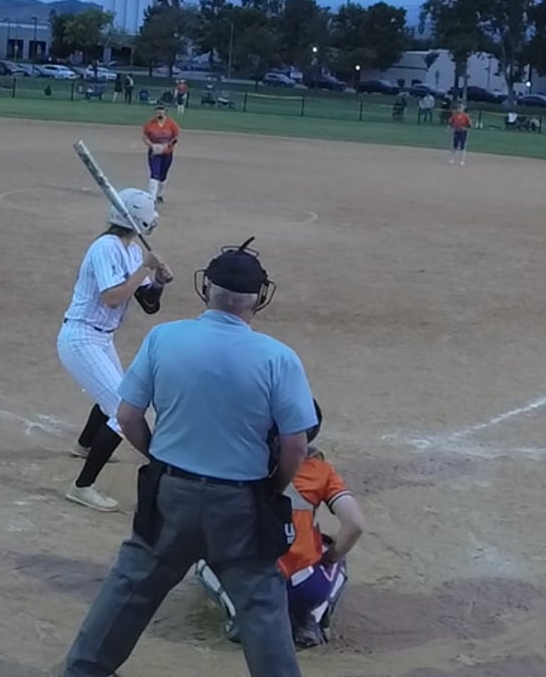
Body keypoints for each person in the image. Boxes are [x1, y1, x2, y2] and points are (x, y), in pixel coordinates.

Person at [61, 237, 316, 677]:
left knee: (130, 588)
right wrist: (270, 487)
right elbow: (296, 445)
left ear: (206, 288)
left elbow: (128, 416)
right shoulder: (279, 358)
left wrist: (159, 458)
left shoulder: (164, 338)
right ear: (259, 298)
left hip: (171, 493)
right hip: (241, 502)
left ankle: (83, 672)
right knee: (260, 605)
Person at [194, 401, 366, 649]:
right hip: (303, 585)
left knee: (204, 551)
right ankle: (311, 617)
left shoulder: (240, 463)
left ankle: (239, 614)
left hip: (251, 583)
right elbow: (355, 525)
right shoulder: (321, 471)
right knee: (334, 553)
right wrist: (328, 558)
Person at [57, 188, 170, 512]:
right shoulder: (105, 247)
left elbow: (148, 304)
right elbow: (111, 298)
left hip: (101, 338)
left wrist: (158, 281)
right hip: (80, 338)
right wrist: (144, 269)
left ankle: (84, 445)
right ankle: (82, 487)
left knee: (116, 393)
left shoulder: (131, 250)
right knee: (123, 413)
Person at [142, 105, 181, 203]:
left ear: (165, 113)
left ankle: (160, 194)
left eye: (161, 113)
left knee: (163, 174)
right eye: (158, 113)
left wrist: (167, 145)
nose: (159, 114)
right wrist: (152, 145)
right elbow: (145, 137)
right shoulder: (150, 124)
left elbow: (176, 137)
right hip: (154, 153)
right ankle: (152, 198)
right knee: (155, 173)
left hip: (167, 153)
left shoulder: (171, 124)